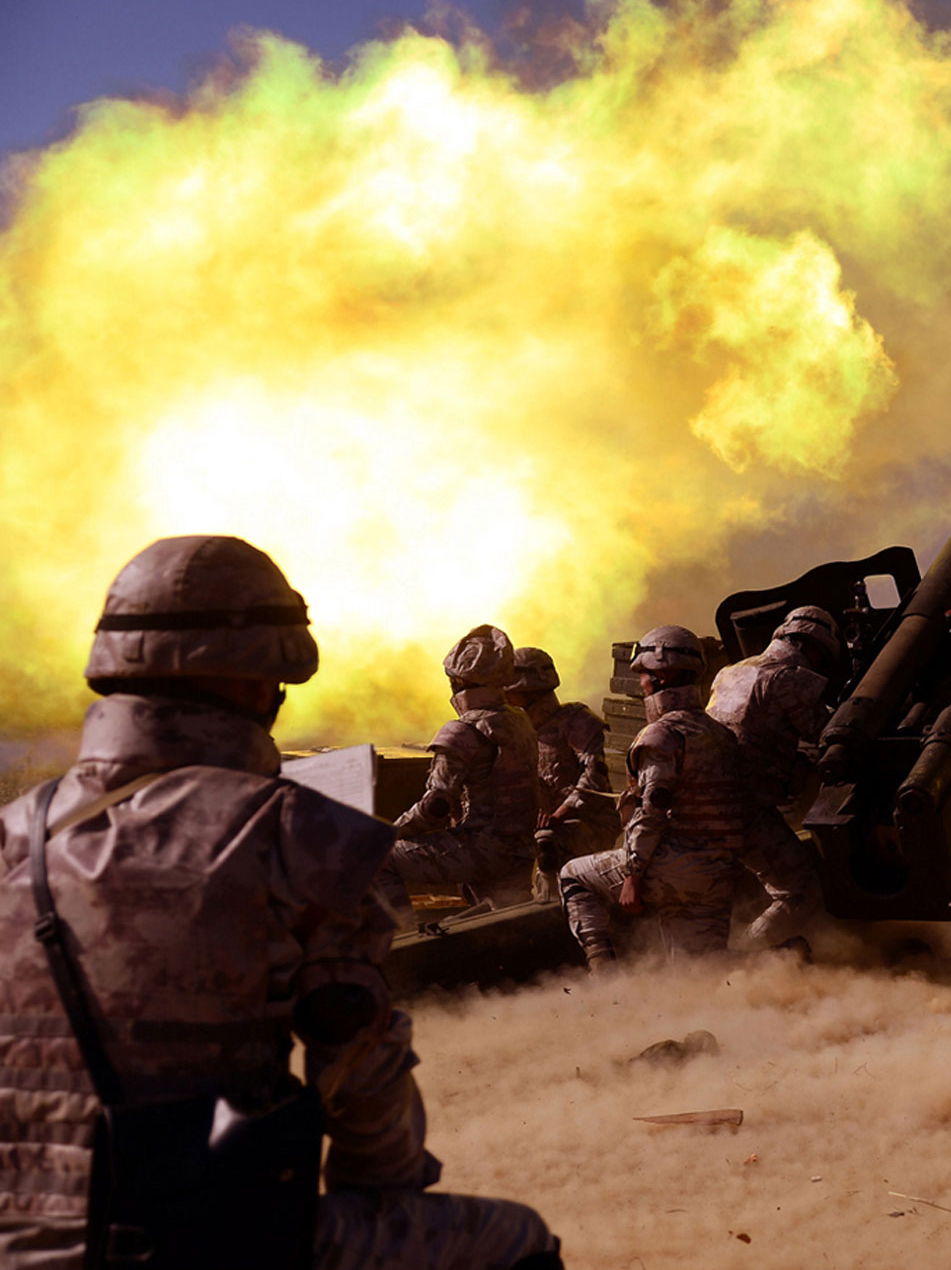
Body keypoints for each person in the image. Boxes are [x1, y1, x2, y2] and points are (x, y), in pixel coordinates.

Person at [0, 535, 560, 1268]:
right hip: (200, 1241)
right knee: (511, 1241)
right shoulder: (300, 838)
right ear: (261, 681)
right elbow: (370, 1117)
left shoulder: (16, 835)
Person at [558, 624, 748, 971]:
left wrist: (632, 875)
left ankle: (605, 978)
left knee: (573, 875)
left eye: (644, 674)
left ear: (662, 675)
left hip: (674, 864)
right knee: (696, 977)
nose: (641, 683)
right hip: (718, 871)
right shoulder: (720, 733)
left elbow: (652, 809)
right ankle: (781, 961)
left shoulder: (660, 736)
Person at [380, 625, 541, 916]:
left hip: (482, 849)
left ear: (458, 680)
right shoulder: (521, 721)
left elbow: (435, 805)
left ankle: (408, 943)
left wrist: (391, 832)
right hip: (521, 851)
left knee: (378, 858)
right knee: (504, 923)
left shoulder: (461, 732)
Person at [705, 606, 837, 948]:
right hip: (743, 809)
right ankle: (746, 956)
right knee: (801, 890)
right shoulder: (787, 678)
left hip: (702, 802)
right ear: (813, 647)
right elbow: (826, 732)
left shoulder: (729, 672)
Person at [503, 647, 616, 899]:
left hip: (588, 823)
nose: (507, 698)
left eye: (512, 693)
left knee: (546, 842)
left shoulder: (577, 722)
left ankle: (549, 911)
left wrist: (560, 813)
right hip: (541, 824)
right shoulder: (517, 730)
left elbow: (593, 777)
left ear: (530, 692)